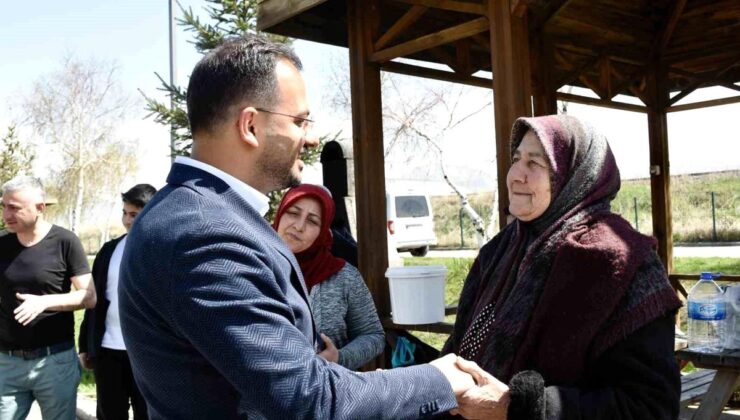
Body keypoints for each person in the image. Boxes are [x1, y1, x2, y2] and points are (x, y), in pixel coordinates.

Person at [118, 35, 476, 419]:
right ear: (251, 125)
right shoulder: (204, 234)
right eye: (300, 121)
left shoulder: (194, 212)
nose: (312, 137)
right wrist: (438, 379)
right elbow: (308, 399)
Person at [443, 115, 683, 419]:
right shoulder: (500, 251)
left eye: (535, 163)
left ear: (575, 178)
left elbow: (650, 407)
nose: (516, 174)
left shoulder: (620, 262)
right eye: (516, 158)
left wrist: (514, 407)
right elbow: (463, 345)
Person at [0, 176, 96, 419]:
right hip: (7, 363)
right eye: (3, 206)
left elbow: (89, 296)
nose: (6, 213)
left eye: (14, 207)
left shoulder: (65, 242)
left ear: (40, 208)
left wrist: (44, 302)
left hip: (54, 362)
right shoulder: (2, 244)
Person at [272, 184, 384, 370]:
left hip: (330, 392)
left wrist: (339, 357)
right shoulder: (252, 265)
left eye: (313, 221)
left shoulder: (343, 276)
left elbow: (373, 335)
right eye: (293, 212)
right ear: (280, 213)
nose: (299, 226)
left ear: (323, 230)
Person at [78, 183, 156, 420]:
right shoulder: (110, 250)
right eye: (124, 213)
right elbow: (95, 301)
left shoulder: (163, 250)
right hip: (108, 350)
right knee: (110, 413)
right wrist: (85, 344)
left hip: (149, 354)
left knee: (148, 414)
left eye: (134, 214)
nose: (127, 220)